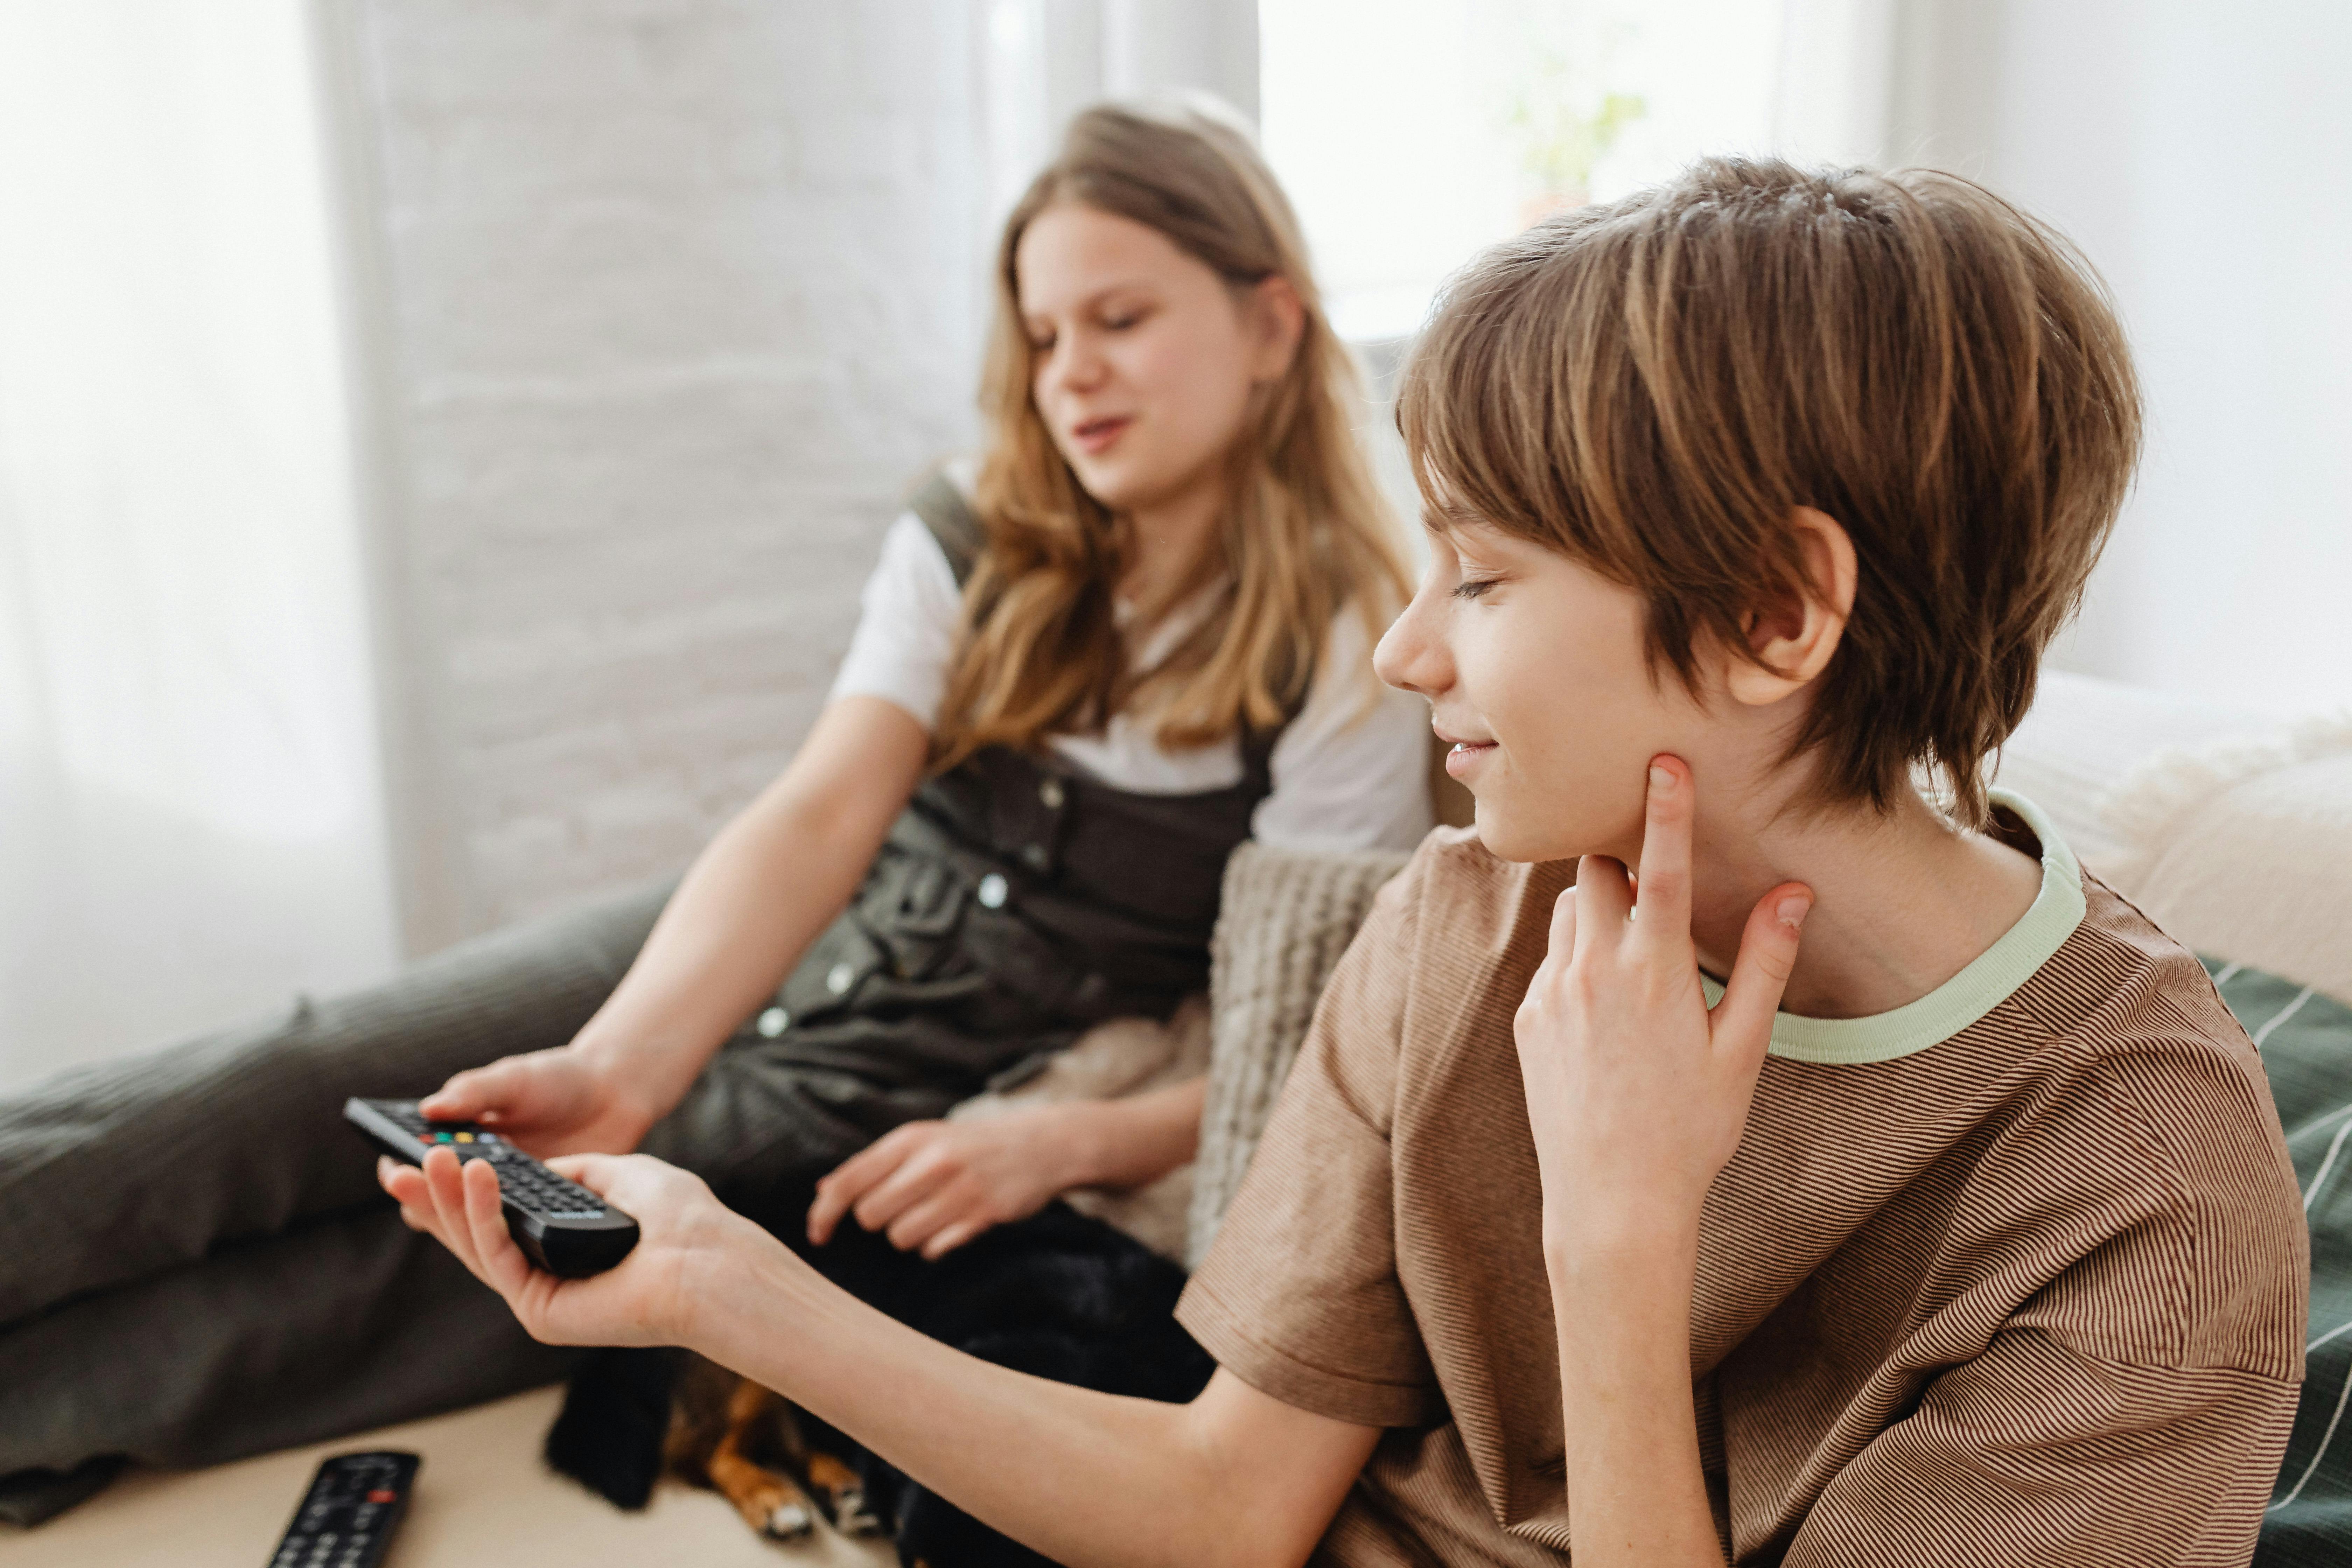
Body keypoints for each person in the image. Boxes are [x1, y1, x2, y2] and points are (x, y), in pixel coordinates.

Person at [391, 156, 2308, 1567]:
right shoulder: (1468, 914)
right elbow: (1228, 1501)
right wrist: (722, 1286)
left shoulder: (2143, 1199)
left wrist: (1619, 1245)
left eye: (1480, 577)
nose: (1408, 656)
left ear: (1776, 611)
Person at [0, 96, 1430, 1517]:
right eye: (1045, 335)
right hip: (727, 944)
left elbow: (1296, 1050)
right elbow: (819, 816)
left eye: (1119, 320)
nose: (1071, 376)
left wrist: (1065, 1142)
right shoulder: (973, 524)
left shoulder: (1352, 643)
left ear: (1271, 326)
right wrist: (623, 1061)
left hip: (913, 1077)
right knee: (301, 1079)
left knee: (396, 1277)